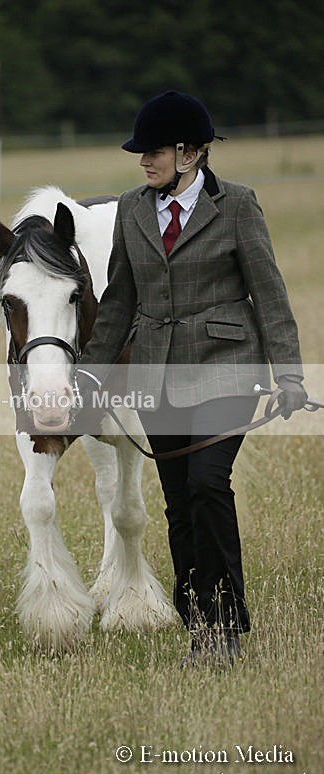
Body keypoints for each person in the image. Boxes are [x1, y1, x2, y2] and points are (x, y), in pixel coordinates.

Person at [75, 90, 307, 666]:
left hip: (228, 367)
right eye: (140, 154)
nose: (142, 161)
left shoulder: (238, 206)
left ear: (188, 153)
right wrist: (91, 375)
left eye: (152, 151)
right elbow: (120, 300)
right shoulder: (132, 209)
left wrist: (291, 377)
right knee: (179, 504)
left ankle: (226, 626)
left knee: (208, 485)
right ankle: (199, 626)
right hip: (157, 372)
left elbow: (269, 294)